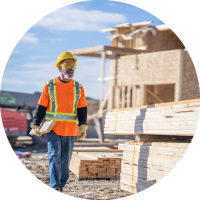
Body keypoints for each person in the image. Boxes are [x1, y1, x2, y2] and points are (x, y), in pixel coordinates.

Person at [30, 52, 88, 193]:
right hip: (53, 129)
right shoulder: (50, 85)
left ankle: (60, 185)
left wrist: (83, 126)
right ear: (59, 68)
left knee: (65, 161)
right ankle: (55, 186)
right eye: (67, 64)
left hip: (69, 130)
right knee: (54, 156)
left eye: (72, 65)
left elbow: (82, 109)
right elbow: (41, 106)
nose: (71, 68)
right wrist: (36, 123)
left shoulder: (78, 87)